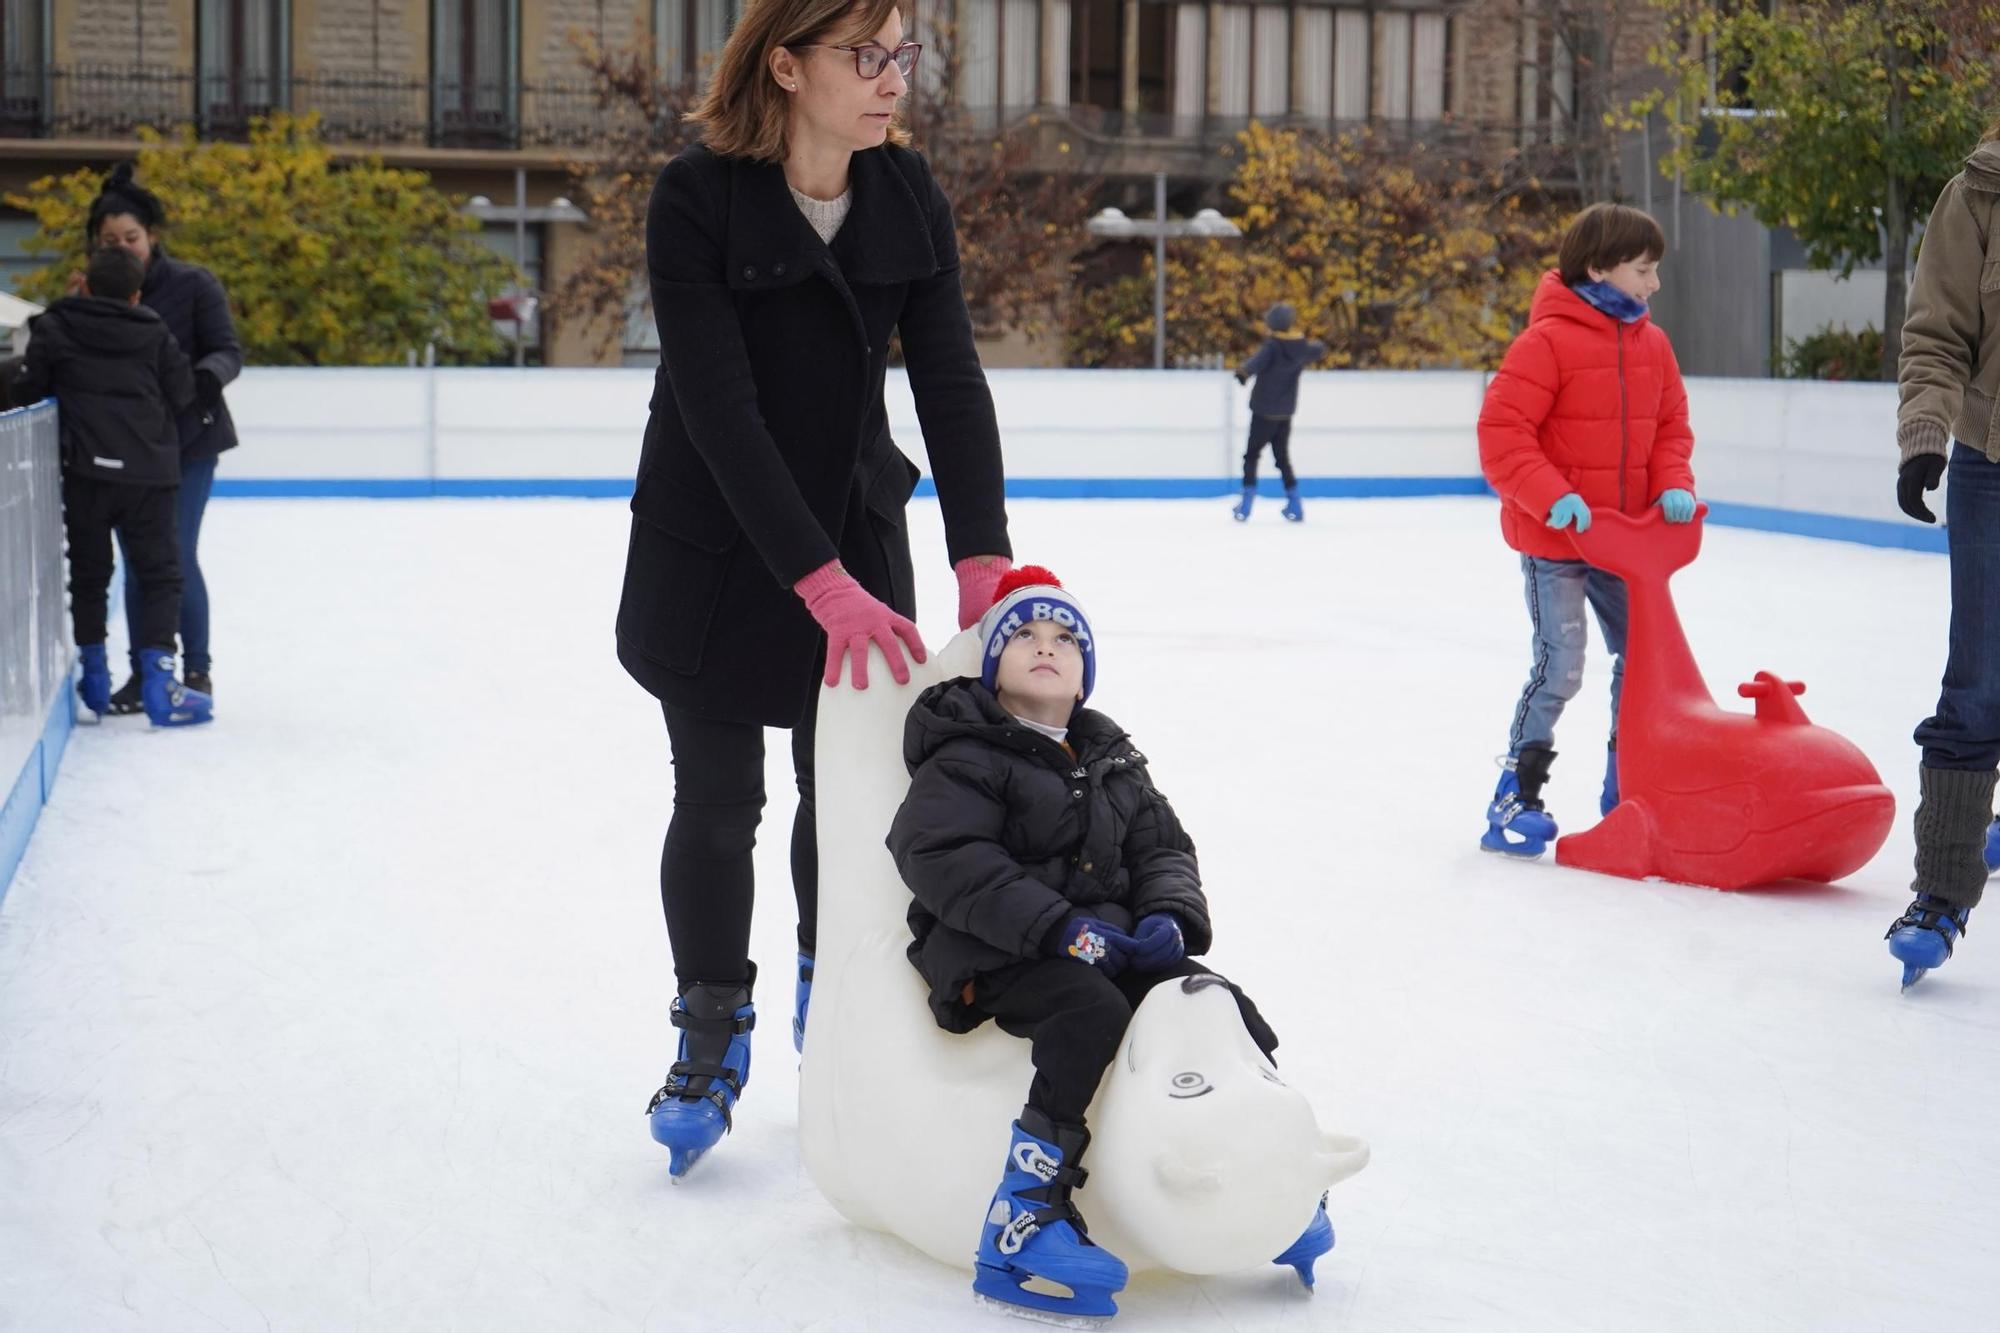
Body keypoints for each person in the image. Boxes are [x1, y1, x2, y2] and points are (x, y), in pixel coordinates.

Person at [620, 0, 1013, 1177]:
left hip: (853, 526)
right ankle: (710, 1021)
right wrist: (816, 583)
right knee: (718, 794)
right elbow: (718, 408)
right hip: (717, 546)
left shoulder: (905, 194)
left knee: (840, 799)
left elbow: (947, 374)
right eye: (865, 55)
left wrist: (979, 552)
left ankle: (819, 993)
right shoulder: (698, 197)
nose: (893, 79)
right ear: (785, 65)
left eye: (904, 54)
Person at [887, 567, 1323, 1322]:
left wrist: (1167, 919)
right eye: (1024, 634)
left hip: (1110, 942)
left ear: (1085, 672)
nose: (1046, 647)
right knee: (1088, 1011)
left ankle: (1271, 1175)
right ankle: (1023, 1216)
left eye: (1065, 637)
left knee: (1215, 1003)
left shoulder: (1111, 756)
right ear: (993, 665)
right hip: (994, 950)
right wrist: (1057, 925)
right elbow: (939, 851)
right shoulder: (969, 751)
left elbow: (1164, 848)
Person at [1475, 202, 1695, 857]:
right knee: (1562, 666)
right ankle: (1516, 794)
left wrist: (1674, 483)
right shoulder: (1545, 342)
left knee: (1645, 663)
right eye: (1642, 270)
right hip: (1558, 542)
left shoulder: (1653, 344)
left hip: (1626, 541)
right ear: (1598, 268)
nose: (1653, 284)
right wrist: (1552, 496)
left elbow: (1670, 429)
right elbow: (1501, 433)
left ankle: (1626, 787)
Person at [1885, 121, 2000, 986]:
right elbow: (1936, 328)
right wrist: (1927, 432)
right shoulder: (1980, 190)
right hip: (1993, 465)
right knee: (1978, 680)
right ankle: (1943, 889)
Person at [12, 247, 212, 727]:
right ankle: (162, 684)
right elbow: (183, 391)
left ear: (84, 284)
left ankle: (95, 678)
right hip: (149, 473)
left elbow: (30, 386)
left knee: (89, 573)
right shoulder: (154, 330)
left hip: (87, 474)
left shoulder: (56, 328)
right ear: (136, 294)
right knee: (160, 574)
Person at [83, 163, 243, 711]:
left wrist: (199, 384)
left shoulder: (193, 284)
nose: (124, 248)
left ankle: (196, 669)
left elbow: (228, 351)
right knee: (137, 560)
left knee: (174, 552)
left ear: (152, 237)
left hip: (189, 441)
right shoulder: (93, 292)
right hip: (126, 449)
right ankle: (144, 671)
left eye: (132, 238)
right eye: (111, 241)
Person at [1231, 303, 1324, 522]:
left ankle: (1246, 504)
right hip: (1285, 413)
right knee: (1282, 458)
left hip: (1263, 410)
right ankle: (1295, 503)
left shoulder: (1273, 346)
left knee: (1251, 455)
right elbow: (1316, 350)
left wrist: (1243, 372)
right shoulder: (1300, 347)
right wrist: (1319, 346)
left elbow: (1256, 362)